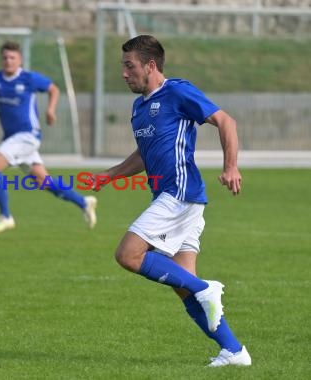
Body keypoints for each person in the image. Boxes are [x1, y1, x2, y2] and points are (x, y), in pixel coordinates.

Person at [91, 35, 251, 367]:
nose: (124, 74)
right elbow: (145, 156)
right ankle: (234, 351)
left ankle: (206, 288)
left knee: (128, 254)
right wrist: (110, 175)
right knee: (183, 287)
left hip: (179, 193)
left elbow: (226, 121)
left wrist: (231, 166)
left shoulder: (177, 91)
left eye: (129, 66)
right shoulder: (138, 107)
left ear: (150, 66)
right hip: (180, 200)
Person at [0, 41, 97, 233]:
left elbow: (54, 89)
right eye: (5, 58)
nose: (8, 61)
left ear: (20, 60)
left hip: (27, 135)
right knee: (44, 181)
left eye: (12, 58)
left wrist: (50, 110)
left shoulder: (28, 78)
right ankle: (84, 202)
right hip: (11, 138)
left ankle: (5, 216)